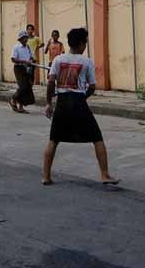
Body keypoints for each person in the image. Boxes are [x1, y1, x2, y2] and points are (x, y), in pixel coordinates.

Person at [42, 27, 118, 186]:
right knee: (97, 138)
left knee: (54, 139)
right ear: (82, 43)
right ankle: (104, 174)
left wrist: (49, 103)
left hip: (62, 101)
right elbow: (92, 87)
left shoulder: (58, 60)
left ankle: (46, 176)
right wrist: (82, 98)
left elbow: (51, 82)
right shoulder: (86, 61)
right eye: (85, 43)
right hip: (78, 101)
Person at [9, 30, 36, 113]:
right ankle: (13, 99)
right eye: (23, 38)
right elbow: (13, 59)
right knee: (23, 86)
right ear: (20, 39)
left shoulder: (28, 47)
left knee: (27, 87)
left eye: (26, 38)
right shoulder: (16, 47)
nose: (25, 39)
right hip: (19, 68)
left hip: (27, 68)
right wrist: (24, 61)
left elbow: (31, 56)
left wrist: (30, 60)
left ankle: (21, 107)